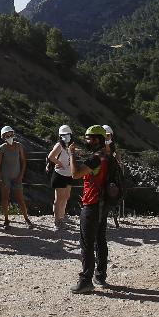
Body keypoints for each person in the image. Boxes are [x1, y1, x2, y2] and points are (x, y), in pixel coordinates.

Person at [70, 125, 116, 293]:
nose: (87, 141)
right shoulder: (107, 156)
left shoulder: (96, 159)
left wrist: (72, 156)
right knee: (100, 239)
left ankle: (85, 281)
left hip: (91, 203)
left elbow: (75, 174)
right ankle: (100, 275)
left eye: (89, 138)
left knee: (87, 243)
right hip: (103, 203)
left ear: (97, 139)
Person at [0, 126, 33, 230]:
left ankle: (26, 218)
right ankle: (6, 220)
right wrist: (0, 180)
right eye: (7, 135)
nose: (10, 137)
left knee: (20, 199)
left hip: (17, 176)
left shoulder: (19, 146)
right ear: (3, 137)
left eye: (11, 135)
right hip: (5, 176)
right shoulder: (2, 148)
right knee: (5, 199)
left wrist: (21, 175)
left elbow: (23, 161)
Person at [47, 125, 75, 230]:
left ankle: (62, 216)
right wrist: (59, 163)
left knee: (66, 196)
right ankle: (57, 220)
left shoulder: (70, 145)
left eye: (67, 134)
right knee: (58, 199)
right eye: (64, 135)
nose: (66, 136)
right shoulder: (59, 145)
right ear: (60, 136)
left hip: (69, 174)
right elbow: (50, 156)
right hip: (60, 175)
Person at [103, 124, 122, 229]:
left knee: (112, 192)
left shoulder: (112, 145)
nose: (107, 137)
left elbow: (117, 157)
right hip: (103, 172)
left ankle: (113, 215)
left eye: (108, 135)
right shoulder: (101, 145)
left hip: (111, 172)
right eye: (105, 135)